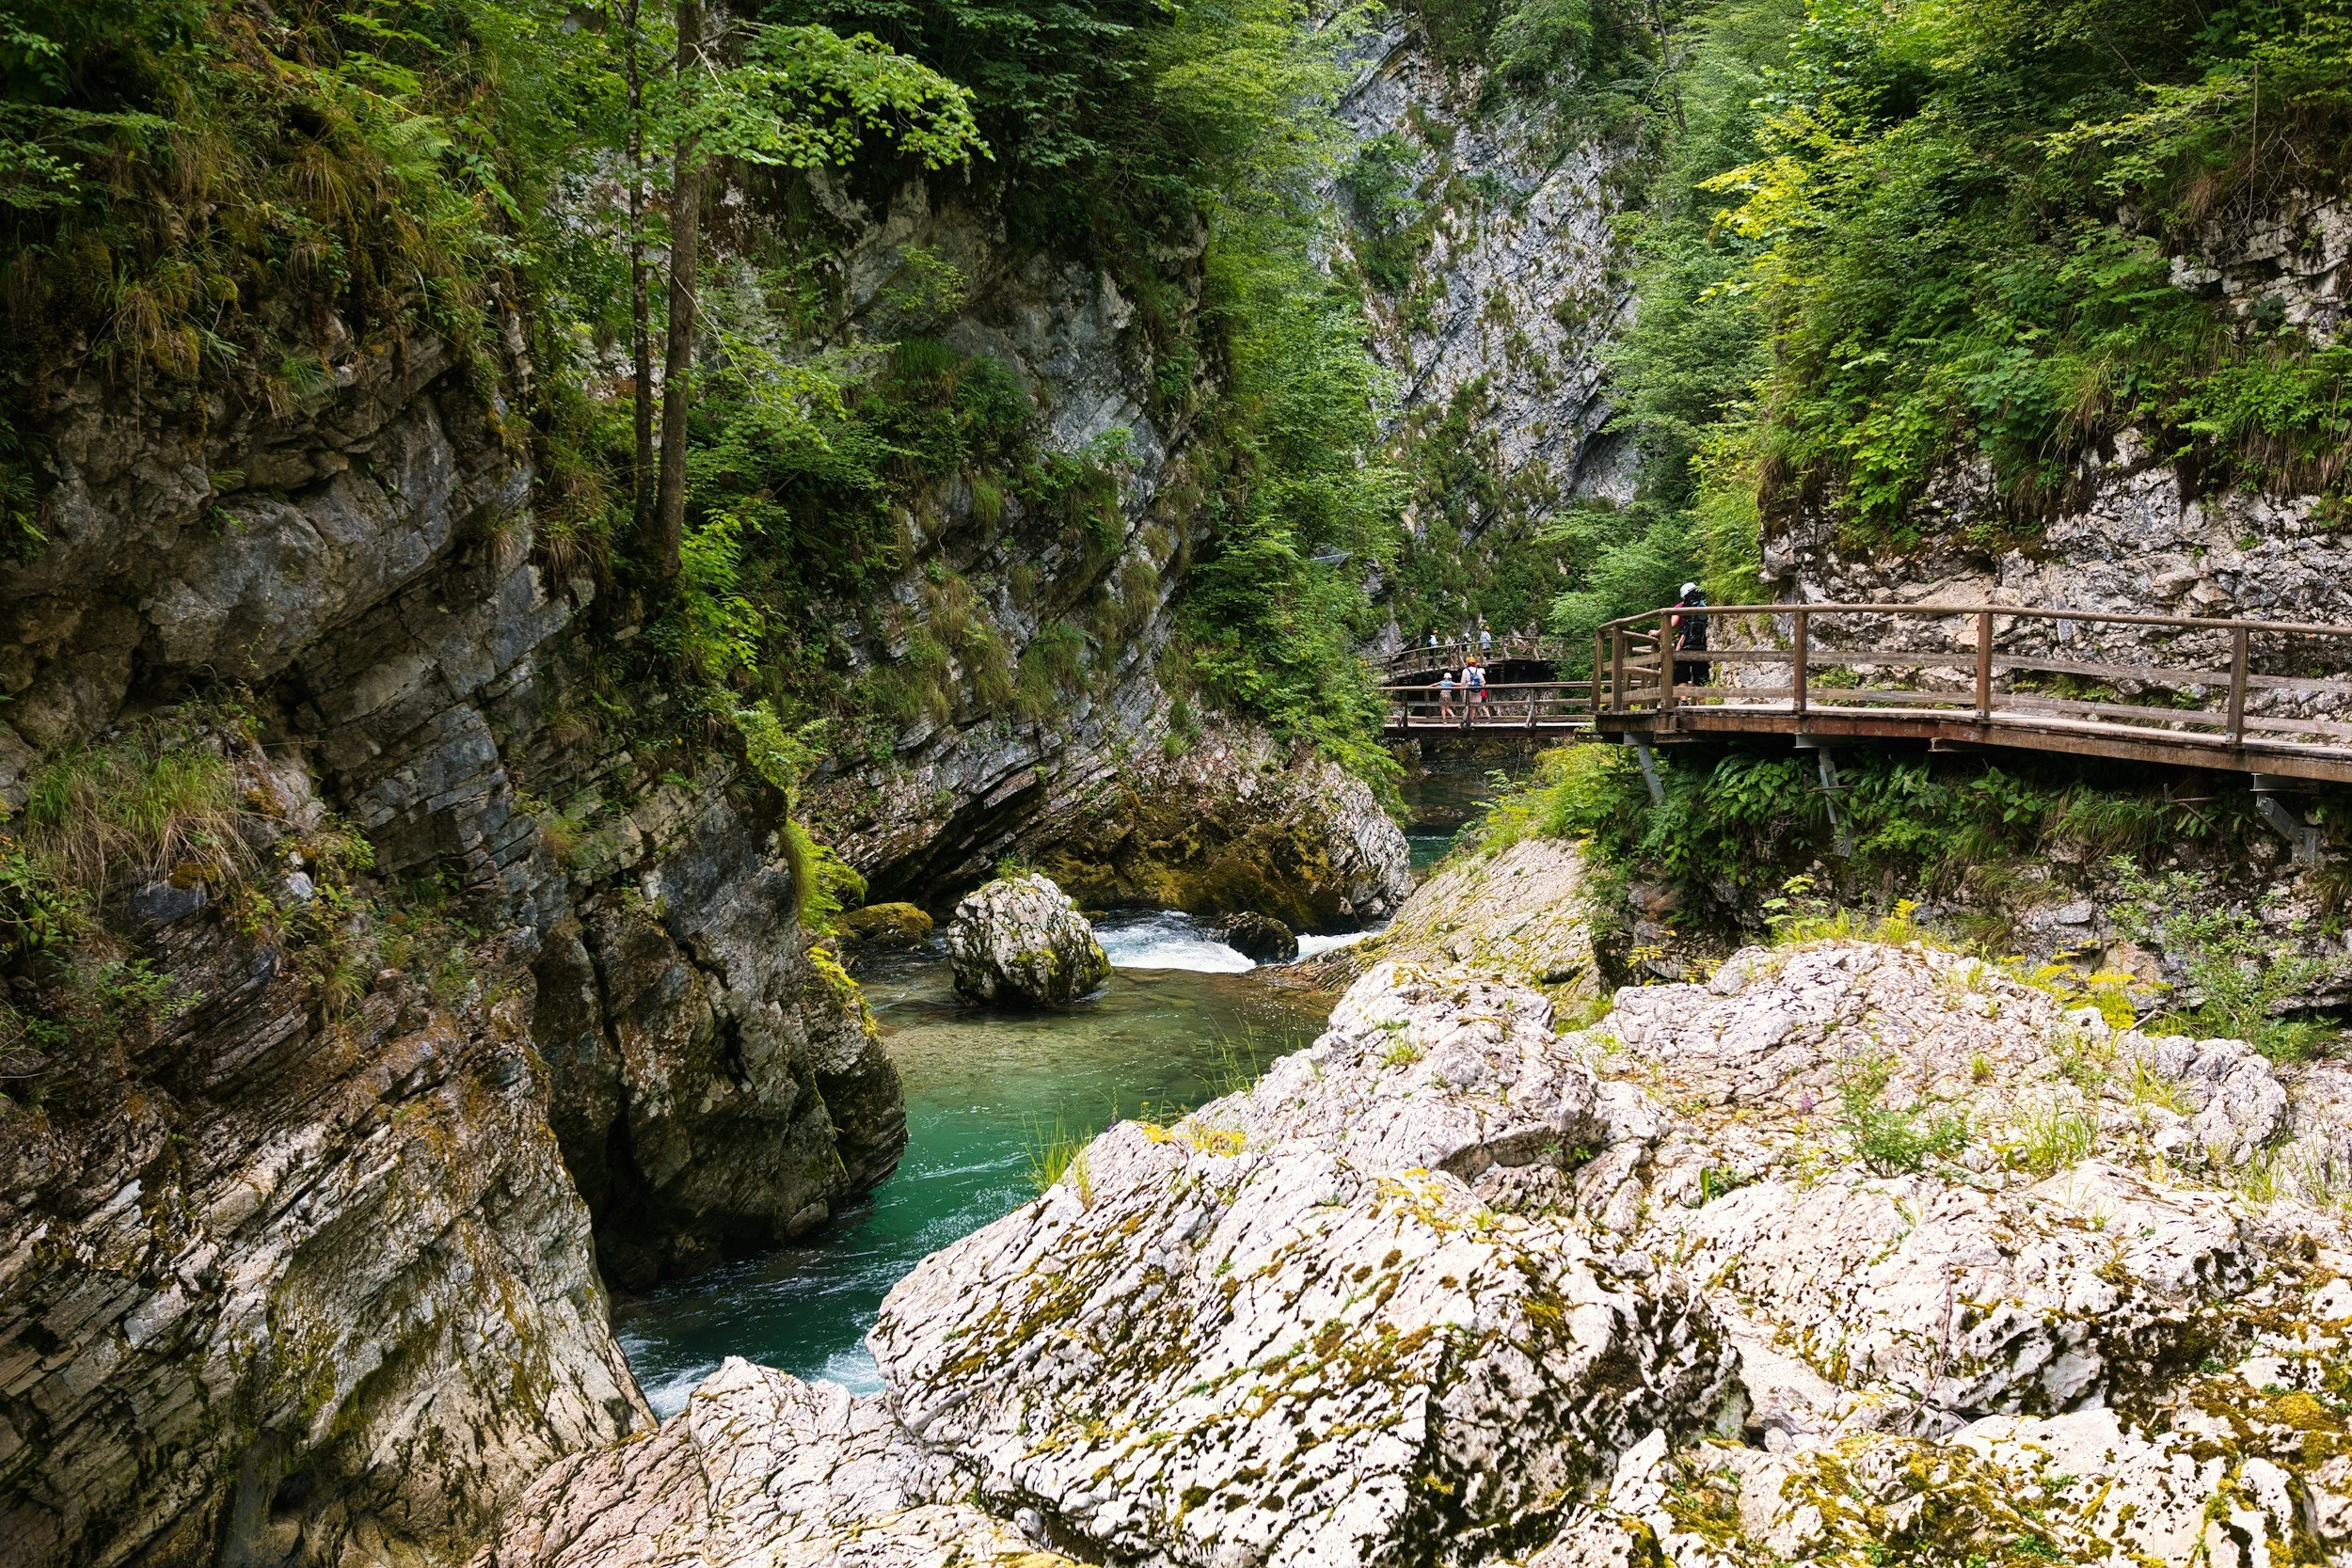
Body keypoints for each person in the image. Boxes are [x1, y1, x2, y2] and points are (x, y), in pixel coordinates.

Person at [1670, 581, 1710, 695]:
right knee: (1700, 678)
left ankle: (1684, 703)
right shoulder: (1704, 605)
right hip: (1702, 645)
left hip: (1684, 644)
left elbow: (1672, 624)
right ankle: (1701, 705)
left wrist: (1657, 632)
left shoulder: (1680, 607)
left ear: (1683, 596)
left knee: (1681, 677)